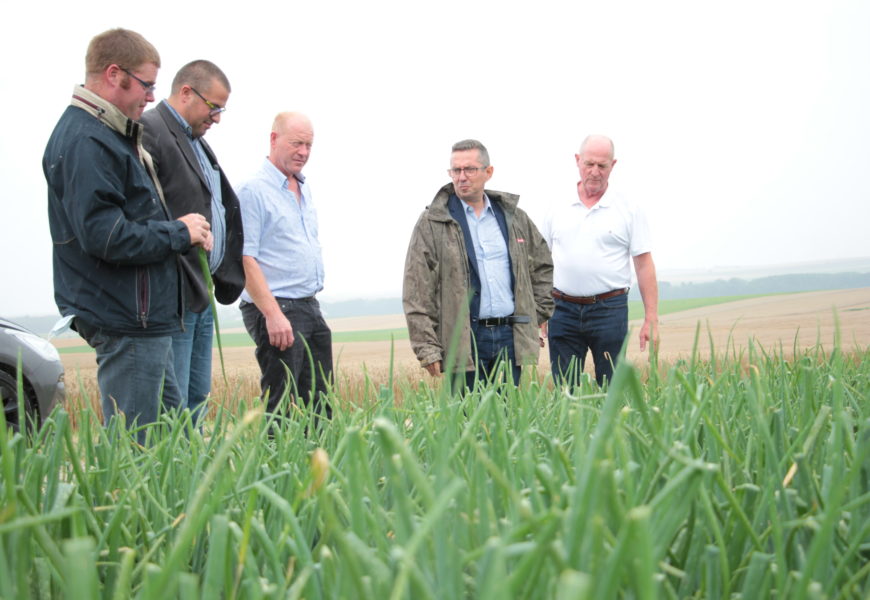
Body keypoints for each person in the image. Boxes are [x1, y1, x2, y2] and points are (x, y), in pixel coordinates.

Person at [43, 29, 213, 441]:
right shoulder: (86, 139)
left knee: (172, 444)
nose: (152, 97)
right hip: (126, 317)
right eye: (147, 84)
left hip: (142, 318)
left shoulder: (107, 132)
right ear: (114, 74)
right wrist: (179, 232)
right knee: (136, 449)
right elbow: (106, 236)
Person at [403, 139, 553, 390]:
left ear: (488, 172)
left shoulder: (514, 217)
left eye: (469, 169)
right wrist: (427, 348)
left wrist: (532, 316)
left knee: (510, 421)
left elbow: (542, 266)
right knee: (466, 423)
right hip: (464, 340)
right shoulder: (433, 222)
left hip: (509, 336)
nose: (461, 177)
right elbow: (417, 288)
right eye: (456, 170)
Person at [141, 60, 245, 421]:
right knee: (175, 403)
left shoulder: (195, 140)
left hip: (201, 290)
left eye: (221, 110)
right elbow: (147, 212)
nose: (216, 118)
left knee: (197, 397)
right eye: (213, 107)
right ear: (186, 92)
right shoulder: (151, 130)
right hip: (177, 292)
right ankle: (176, 472)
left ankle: (193, 470)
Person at [541, 135, 659, 386]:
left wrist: (651, 318)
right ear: (577, 161)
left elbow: (643, 263)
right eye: (589, 164)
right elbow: (541, 262)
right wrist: (540, 309)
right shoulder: (556, 205)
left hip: (609, 309)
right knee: (565, 389)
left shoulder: (628, 208)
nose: (594, 172)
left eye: (602, 166)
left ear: (613, 165)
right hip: (562, 309)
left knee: (612, 387)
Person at [237, 112, 332, 419]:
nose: (303, 152)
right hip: (278, 309)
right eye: (296, 143)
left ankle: (321, 463)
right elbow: (244, 257)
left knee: (321, 404)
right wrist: (273, 314)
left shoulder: (304, 189)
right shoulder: (254, 191)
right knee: (281, 407)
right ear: (274, 139)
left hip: (308, 306)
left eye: (308, 145)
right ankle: (278, 464)